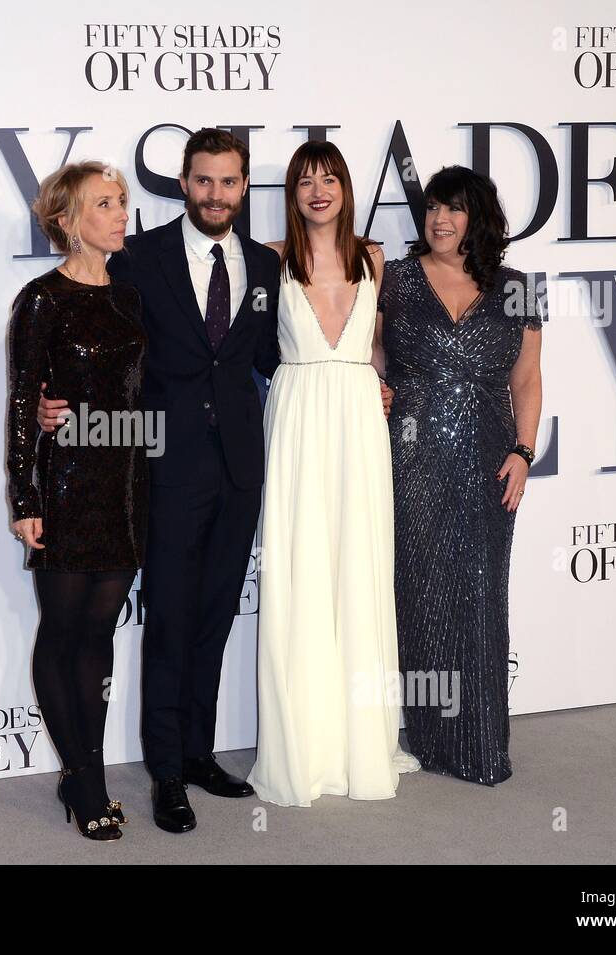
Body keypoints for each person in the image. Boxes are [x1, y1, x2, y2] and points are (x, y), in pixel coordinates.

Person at [39, 130, 394, 832]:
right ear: (185, 182)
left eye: (230, 183)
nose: (216, 195)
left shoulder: (266, 265)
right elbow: (97, 336)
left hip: (244, 463)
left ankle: (199, 752)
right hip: (165, 466)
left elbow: (278, 352)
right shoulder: (140, 257)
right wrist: (58, 400)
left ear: (242, 189)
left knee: (213, 618)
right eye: (204, 182)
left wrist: (367, 385)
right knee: (169, 620)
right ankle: (166, 771)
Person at [247, 140, 420, 806]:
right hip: (295, 418)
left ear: (346, 188)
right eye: (305, 180)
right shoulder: (270, 259)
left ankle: (359, 743)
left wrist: (380, 383)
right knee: (301, 572)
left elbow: (377, 346)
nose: (319, 190)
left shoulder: (374, 257)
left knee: (358, 569)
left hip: (356, 418)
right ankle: (305, 748)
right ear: (292, 194)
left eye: (330, 178)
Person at [377, 165, 543, 785]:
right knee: (417, 595)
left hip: (489, 457)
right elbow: (368, 353)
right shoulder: (392, 279)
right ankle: (430, 740)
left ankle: (480, 744)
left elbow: (526, 378)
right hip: (410, 454)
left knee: (479, 596)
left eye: (453, 209)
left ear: (478, 217)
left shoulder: (518, 286)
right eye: (431, 210)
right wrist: (375, 385)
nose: (439, 221)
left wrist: (524, 452)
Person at [5, 161, 145, 840]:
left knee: (98, 635)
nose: (121, 214)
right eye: (105, 204)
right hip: (64, 485)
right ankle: (85, 780)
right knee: (61, 633)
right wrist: (24, 492)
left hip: (124, 485)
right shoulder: (42, 299)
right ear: (68, 220)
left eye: (122, 202)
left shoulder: (133, 297)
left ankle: (83, 768)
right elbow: (22, 401)